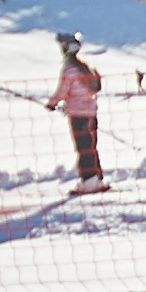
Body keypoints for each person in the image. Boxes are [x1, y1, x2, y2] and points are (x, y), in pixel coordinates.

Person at [51, 32, 104, 185]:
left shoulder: (69, 69)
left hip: (78, 115)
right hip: (91, 114)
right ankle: (97, 178)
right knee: (91, 146)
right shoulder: (84, 67)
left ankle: (88, 180)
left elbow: (62, 91)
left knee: (82, 147)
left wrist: (52, 103)